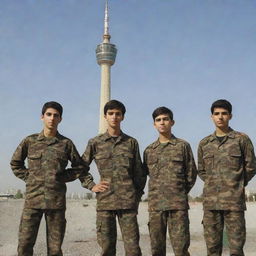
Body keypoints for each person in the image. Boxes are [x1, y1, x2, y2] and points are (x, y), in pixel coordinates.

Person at [10, 101, 88, 256]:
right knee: (24, 245)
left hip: (56, 202)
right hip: (33, 201)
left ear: (60, 119)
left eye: (56, 115)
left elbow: (80, 167)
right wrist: (30, 177)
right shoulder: (29, 141)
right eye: (49, 114)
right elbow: (15, 163)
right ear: (42, 117)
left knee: (54, 249)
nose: (52, 118)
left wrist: (61, 178)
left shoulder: (66, 144)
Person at [80, 99, 146, 256]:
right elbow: (80, 167)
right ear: (105, 116)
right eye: (111, 114)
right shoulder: (95, 142)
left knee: (133, 249)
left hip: (128, 203)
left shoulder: (131, 143)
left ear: (123, 117)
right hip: (105, 202)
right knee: (107, 248)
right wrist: (91, 185)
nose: (114, 117)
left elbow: (139, 172)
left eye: (118, 114)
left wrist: (137, 195)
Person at [197, 99, 256, 256]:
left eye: (224, 113)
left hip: (234, 203)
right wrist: (213, 183)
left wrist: (236, 183)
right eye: (217, 114)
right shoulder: (204, 143)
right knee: (212, 249)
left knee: (236, 249)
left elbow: (251, 167)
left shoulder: (241, 139)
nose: (220, 117)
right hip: (211, 203)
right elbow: (201, 170)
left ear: (230, 116)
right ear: (212, 117)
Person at [143, 106, 197, 256]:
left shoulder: (182, 146)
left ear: (172, 122)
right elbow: (146, 174)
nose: (162, 123)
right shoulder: (149, 150)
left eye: (165, 119)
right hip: (156, 207)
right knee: (157, 249)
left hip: (177, 206)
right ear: (154, 124)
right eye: (158, 120)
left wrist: (179, 191)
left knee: (181, 248)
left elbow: (191, 173)